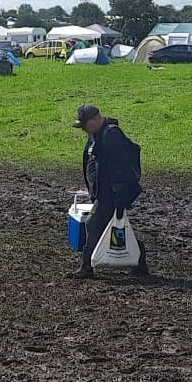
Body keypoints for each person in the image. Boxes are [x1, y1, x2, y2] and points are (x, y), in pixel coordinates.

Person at [72, 104, 145, 279]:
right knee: (116, 227)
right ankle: (141, 263)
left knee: (93, 224)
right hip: (105, 192)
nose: (83, 129)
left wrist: (119, 192)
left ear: (96, 119)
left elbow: (121, 165)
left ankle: (86, 267)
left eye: (85, 125)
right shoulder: (97, 134)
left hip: (111, 193)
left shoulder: (111, 135)